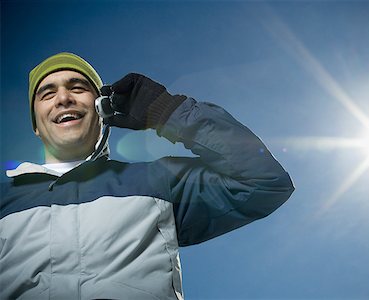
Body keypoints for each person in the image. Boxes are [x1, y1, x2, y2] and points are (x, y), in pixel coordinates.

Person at [0, 52, 294, 299]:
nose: (63, 98)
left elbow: (264, 181)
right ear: (36, 125)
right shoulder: (4, 198)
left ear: (103, 108)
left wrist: (168, 112)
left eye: (77, 87)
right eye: (47, 93)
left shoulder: (158, 181)